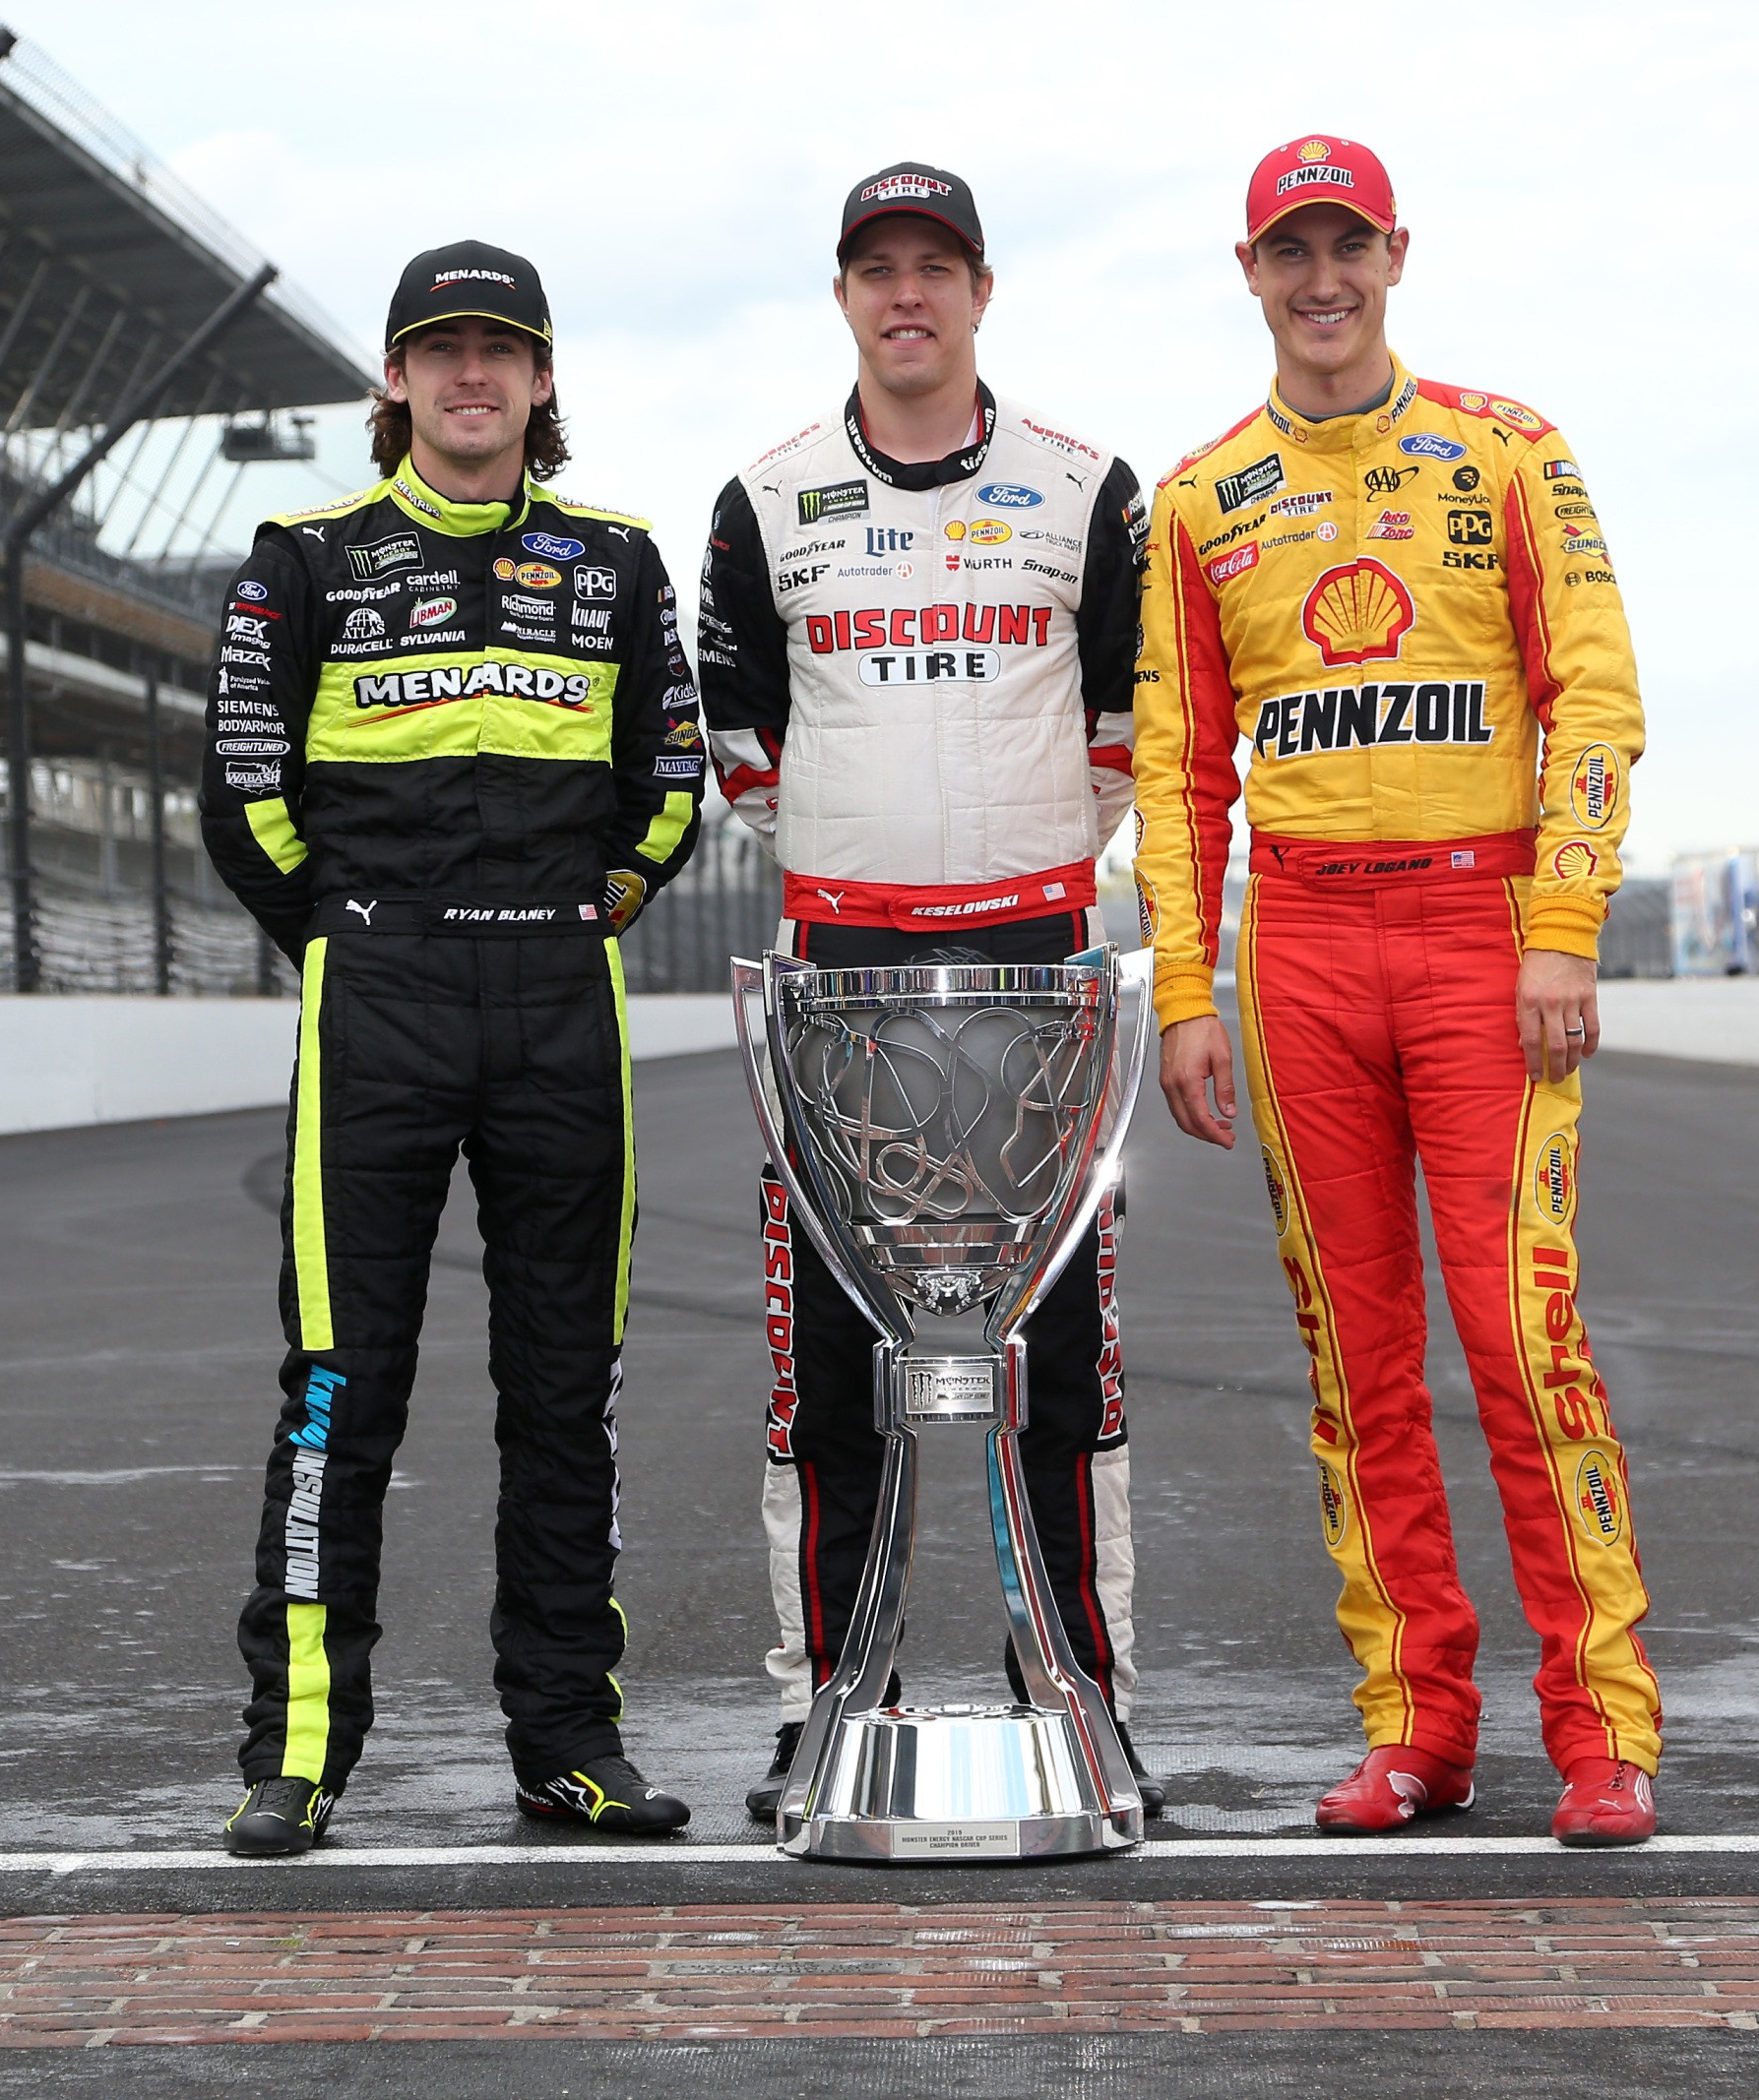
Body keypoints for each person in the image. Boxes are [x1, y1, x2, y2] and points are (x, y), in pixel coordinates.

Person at [1133, 137, 1663, 1846]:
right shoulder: (1200, 497)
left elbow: (1595, 692)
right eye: (1290, 251)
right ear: (1250, 272)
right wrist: (1184, 989)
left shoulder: (1508, 450)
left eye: (1345, 244)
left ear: (1395, 253)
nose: (1321, 279)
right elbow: (1176, 766)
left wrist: (1566, 925)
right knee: (1354, 1360)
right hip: (1296, 955)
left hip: (1480, 938)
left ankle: (1599, 1732)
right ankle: (1418, 1722)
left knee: (1522, 1336)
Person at [198, 240, 707, 1852]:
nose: (471, 374)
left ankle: (567, 1738)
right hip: (382, 1000)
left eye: (501, 348)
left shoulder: (620, 562)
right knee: (343, 1385)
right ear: (395, 383)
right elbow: (241, 786)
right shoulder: (303, 556)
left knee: (570, 1391)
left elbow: (675, 777)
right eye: (440, 349)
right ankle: (297, 1751)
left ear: (544, 381)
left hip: (563, 993)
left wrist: (604, 897)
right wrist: (348, 939)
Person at [699, 161, 1159, 1824]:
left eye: (936, 268)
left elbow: (1131, 729)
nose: (909, 296)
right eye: (878, 269)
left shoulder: (1087, 487)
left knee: (1062, 1360)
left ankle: (1091, 1706)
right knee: (823, 1373)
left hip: (1039, 966)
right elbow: (740, 743)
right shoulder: (763, 499)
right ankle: (823, 1707)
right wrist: (870, 874)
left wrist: (1014, 874)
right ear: (843, 296)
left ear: (981, 290)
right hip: (840, 977)